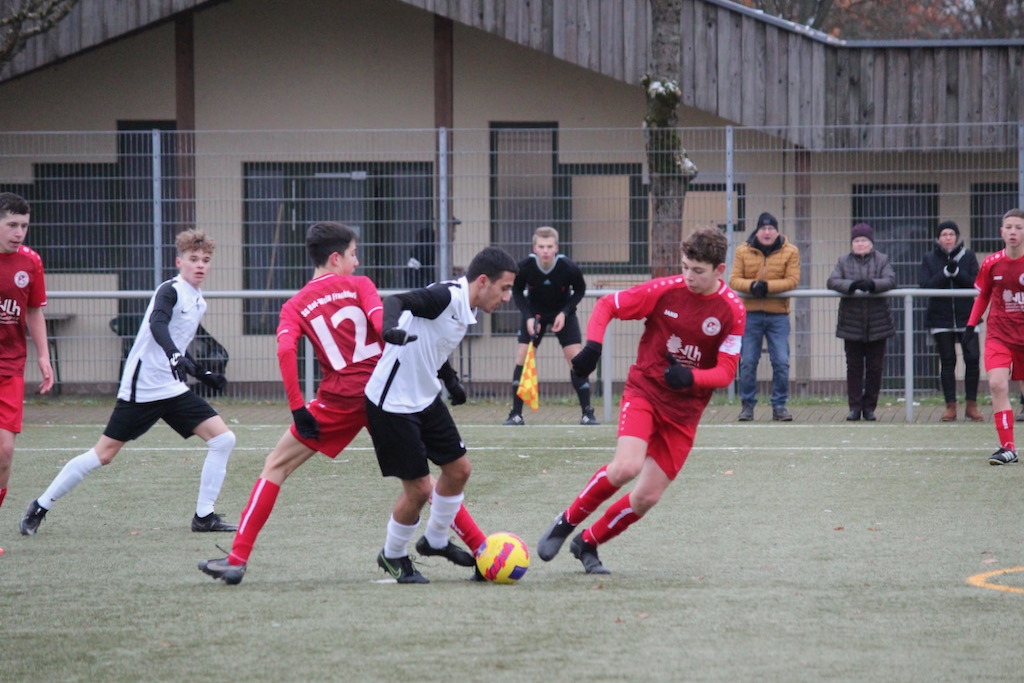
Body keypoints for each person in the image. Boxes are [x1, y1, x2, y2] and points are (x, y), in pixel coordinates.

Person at [198, 222, 487, 584]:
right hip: (387, 391)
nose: (357, 261)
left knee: (275, 466)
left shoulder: (294, 305)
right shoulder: (360, 285)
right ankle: (480, 548)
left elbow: (285, 351)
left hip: (340, 400)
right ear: (336, 258)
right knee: (426, 481)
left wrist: (298, 408)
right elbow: (384, 322)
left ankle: (237, 558)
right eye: (353, 254)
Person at [536, 227, 745, 574]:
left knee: (647, 497)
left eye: (698, 271)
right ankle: (566, 522)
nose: (689, 277)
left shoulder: (732, 310)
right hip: (645, 392)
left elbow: (725, 371)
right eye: (685, 267)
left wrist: (691, 377)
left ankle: (587, 542)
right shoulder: (666, 290)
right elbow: (607, 305)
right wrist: (593, 347)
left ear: (719, 271)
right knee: (626, 467)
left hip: (684, 414)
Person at [20, 229, 236, 536]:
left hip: (172, 388)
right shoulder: (170, 290)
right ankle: (40, 506)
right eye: (193, 259)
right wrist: (174, 355)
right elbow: (158, 324)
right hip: (142, 388)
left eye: (206, 260)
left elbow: (178, 343)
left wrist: (202, 374)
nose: (200, 265)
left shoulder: (198, 301)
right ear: (179, 262)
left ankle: (204, 516)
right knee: (103, 455)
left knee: (223, 439)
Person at [366, 246, 518, 583]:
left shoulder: (466, 306)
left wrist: (450, 380)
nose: (508, 297)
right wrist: (388, 330)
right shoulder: (445, 297)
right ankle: (392, 554)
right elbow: (395, 301)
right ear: (483, 281)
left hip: (425, 398)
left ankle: (434, 540)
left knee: (459, 470)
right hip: (392, 404)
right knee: (419, 490)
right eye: (505, 288)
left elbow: (433, 343)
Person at [0, 192, 53, 556]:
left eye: (24, 226)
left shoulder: (30, 261)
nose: (19, 233)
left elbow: (34, 310)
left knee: (4, 453)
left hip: (10, 367)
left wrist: (44, 357)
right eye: (11, 225)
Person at [503, 226, 598, 426]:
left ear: (556, 248)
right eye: (541, 246)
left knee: (576, 358)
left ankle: (587, 413)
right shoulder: (525, 267)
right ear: (534, 248)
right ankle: (516, 414)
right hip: (535, 315)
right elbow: (517, 292)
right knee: (523, 356)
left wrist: (565, 312)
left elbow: (580, 290)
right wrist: (528, 317)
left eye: (549, 246)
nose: (545, 251)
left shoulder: (568, 267)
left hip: (562, 314)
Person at [964, 208, 1024, 465]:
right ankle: (1008, 448)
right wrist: (970, 325)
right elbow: (984, 295)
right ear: (1001, 232)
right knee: (997, 384)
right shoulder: (991, 263)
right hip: (999, 336)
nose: (1013, 232)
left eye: (1019, 227)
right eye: (1009, 227)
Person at [729, 211, 801, 422]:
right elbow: (734, 279)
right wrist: (752, 286)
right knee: (748, 362)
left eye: (771, 229)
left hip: (778, 315)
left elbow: (792, 280)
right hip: (749, 315)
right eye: (763, 229)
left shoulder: (791, 251)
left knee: (781, 362)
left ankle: (779, 406)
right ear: (757, 231)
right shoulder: (743, 251)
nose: (767, 233)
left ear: (777, 231)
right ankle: (747, 406)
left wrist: (767, 287)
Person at [826, 223, 897, 422]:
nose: (860, 244)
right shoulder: (843, 261)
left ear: (871, 242)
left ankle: (870, 408)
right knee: (854, 368)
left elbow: (891, 280)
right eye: (856, 240)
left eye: (864, 240)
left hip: (878, 323)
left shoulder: (882, 259)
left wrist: (872, 285)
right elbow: (832, 281)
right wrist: (852, 286)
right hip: (851, 323)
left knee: (875, 368)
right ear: (852, 243)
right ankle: (855, 407)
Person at [917, 220, 982, 422]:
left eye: (951, 234)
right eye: (944, 234)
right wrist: (945, 273)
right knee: (947, 361)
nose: (948, 238)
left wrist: (957, 273)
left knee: (972, 359)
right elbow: (925, 285)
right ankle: (950, 406)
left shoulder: (968, 256)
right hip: (940, 317)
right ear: (938, 238)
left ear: (957, 237)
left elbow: (977, 283)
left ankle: (971, 405)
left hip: (967, 317)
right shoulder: (929, 258)